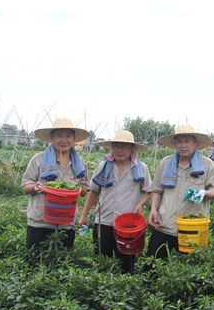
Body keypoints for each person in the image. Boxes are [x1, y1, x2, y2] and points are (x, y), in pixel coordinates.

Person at [79, 130, 152, 273]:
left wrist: (140, 204)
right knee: (101, 263)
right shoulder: (103, 166)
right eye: (116, 146)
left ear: (132, 149)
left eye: (124, 146)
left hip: (128, 225)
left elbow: (149, 190)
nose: (120, 150)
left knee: (127, 264)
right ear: (111, 148)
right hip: (104, 222)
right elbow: (94, 191)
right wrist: (84, 215)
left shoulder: (141, 168)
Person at [147, 125, 214, 259]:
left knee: (190, 271)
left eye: (187, 141)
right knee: (151, 265)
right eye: (179, 141)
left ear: (195, 143)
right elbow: (157, 190)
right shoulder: (166, 163)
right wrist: (153, 209)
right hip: (165, 224)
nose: (183, 145)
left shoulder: (207, 165)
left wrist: (203, 193)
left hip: (192, 227)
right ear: (175, 144)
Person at [22, 117, 90, 250]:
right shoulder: (38, 160)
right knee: (35, 263)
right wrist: (35, 188)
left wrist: (76, 190)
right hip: (40, 223)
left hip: (66, 224)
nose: (64, 140)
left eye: (68, 136)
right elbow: (25, 187)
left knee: (62, 265)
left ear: (74, 138)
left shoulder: (80, 164)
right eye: (59, 136)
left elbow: (85, 190)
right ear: (52, 137)